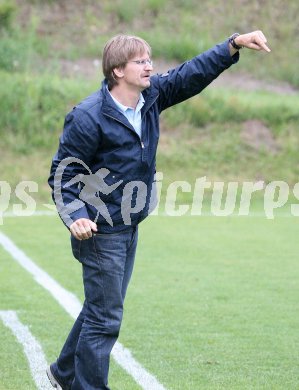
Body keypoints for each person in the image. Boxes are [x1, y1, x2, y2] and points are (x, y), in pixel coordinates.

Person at [47, 31, 270, 389]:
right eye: (140, 61)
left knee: (100, 308)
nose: (149, 65)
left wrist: (233, 45)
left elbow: (189, 74)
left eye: (149, 59)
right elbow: (63, 174)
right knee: (105, 318)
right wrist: (76, 216)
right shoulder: (88, 116)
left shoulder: (150, 97)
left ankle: (62, 372)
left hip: (129, 224)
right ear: (118, 71)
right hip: (100, 229)